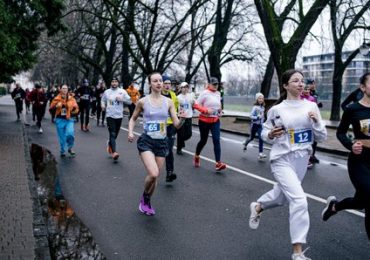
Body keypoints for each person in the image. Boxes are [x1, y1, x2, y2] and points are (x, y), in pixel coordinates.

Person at [248, 69, 327, 260]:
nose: (300, 84)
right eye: (295, 81)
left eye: (302, 81)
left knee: (282, 197)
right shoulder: (277, 109)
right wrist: (270, 134)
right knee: (299, 200)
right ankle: (298, 252)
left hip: (302, 159)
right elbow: (264, 132)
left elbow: (322, 137)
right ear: (285, 86)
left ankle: (258, 207)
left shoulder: (311, 107)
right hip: (282, 158)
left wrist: (316, 123)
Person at [322, 72, 370, 241]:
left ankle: (335, 206)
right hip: (360, 161)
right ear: (362, 87)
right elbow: (341, 133)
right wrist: (351, 145)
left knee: (361, 202)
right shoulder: (353, 109)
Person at [128, 72, 185, 216]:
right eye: (155, 81)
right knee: (153, 173)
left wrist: (182, 119)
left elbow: (177, 124)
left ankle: (146, 200)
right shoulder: (142, 101)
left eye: (160, 80)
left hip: (162, 142)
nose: (159, 83)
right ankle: (145, 197)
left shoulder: (169, 102)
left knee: (156, 176)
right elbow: (133, 118)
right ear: (150, 84)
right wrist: (130, 132)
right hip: (146, 141)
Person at [192, 77, 227, 171]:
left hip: (215, 120)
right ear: (209, 84)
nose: (216, 86)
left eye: (217, 84)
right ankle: (197, 156)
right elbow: (195, 105)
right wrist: (205, 110)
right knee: (203, 140)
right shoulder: (204, 93)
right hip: (204, 121)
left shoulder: (218, 93)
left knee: (216, 139)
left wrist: (220, 111)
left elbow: (218, 105)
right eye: (214, 84)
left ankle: (218, 163)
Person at [101, 77, 131, 161]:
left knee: (115, 135)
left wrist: (123, 99)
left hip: (119, 116)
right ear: (111, 83)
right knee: (113, 133)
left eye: (115, 82)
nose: (114, 83)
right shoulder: (107, 92)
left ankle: (110, 143)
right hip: (110, 115)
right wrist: (103, 105)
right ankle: (114, 152)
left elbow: (130, 101)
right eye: (112, 81)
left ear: (118, 83)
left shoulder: (122, 91)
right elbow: (103, 100)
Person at [50, 84, 79, 157]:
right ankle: (62, 150)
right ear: (60, 89)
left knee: (70, 134)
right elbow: (51, 109)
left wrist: (73, 109)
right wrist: (56, 106)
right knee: (62, 138)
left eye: (66, 88)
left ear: (68, 90)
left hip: (69, 119)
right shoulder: (56, 98)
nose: (64, 90)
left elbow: (76, 109)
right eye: (63, 88)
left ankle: (70, 148)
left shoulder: (71, 98)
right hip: (60, 119)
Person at [161, 75, 179, 182]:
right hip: (160, 126)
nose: (167, 85)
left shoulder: (173, 96)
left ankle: (169, 172)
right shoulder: (157, 95)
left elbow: (175, 111)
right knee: (161, 148)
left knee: (169, 149)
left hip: (171, 126)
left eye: (169, 83)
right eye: (165, 83)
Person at [243, 92, 266, 159]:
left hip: (260, 125)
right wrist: (257, 117)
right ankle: (245, 143)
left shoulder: (263, 107)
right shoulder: (255, 107)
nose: (261, 99)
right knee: (251, 138)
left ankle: (260, 153)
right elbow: (250, 116)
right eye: (259, 98)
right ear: (257, 99)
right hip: (254, 125)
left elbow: (262, 116)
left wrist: (263, 122)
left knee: (261, 138)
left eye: (262, 98)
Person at [176, 81, 196, 155]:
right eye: (183, 87)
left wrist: (194, 103)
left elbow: (194, 104)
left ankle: (181, 141)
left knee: (189, 134)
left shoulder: (190, 96)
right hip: (181, 117)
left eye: (186, 87)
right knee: (180, 134)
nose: (185, 89)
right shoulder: (178, 97)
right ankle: (179, 149)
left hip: (189, 116)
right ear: (181, 89)